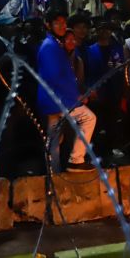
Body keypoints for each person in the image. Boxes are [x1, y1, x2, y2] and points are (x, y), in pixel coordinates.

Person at [37, 10, 96, 173]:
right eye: (57, 23)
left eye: (64, 23)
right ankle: (75, 160)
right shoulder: (49, 47)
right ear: (48, 25)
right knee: (89, 118)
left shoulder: (56, 45)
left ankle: (53, 172)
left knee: (55, 139)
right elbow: (55, 78)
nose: (62, 26)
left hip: (57, 101)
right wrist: (76, 97)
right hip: (58, 101)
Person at [87, 18, 125, 165]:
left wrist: (124, 90)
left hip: (114, 89)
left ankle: (112, 149)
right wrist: (91, 89)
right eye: (101, 29)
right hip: (98, 91)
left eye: (107, 29)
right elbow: (88, 72)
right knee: (98, 122)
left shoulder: (117, 48)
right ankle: (98, 152)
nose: (104, 32)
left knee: (114, 120)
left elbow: (122, 69)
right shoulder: (90, 50)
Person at [63, 29, 86, 93]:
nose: (71, 41)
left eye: (73, 39)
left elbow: (80, 84)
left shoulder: (78, 61)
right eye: (67, 39)